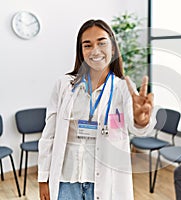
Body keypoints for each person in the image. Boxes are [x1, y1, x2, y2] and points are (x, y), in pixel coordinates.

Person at [38, 19, 155, 200]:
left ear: (113, 48)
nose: (95, 50)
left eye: (102, 43)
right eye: (87, 45)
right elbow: (49, 135)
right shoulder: (64, 85)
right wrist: (43, 178)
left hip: (106, 181)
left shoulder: (123, 88)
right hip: (66, 181)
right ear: (81, 51)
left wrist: (141, 120)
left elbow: (136, 128)